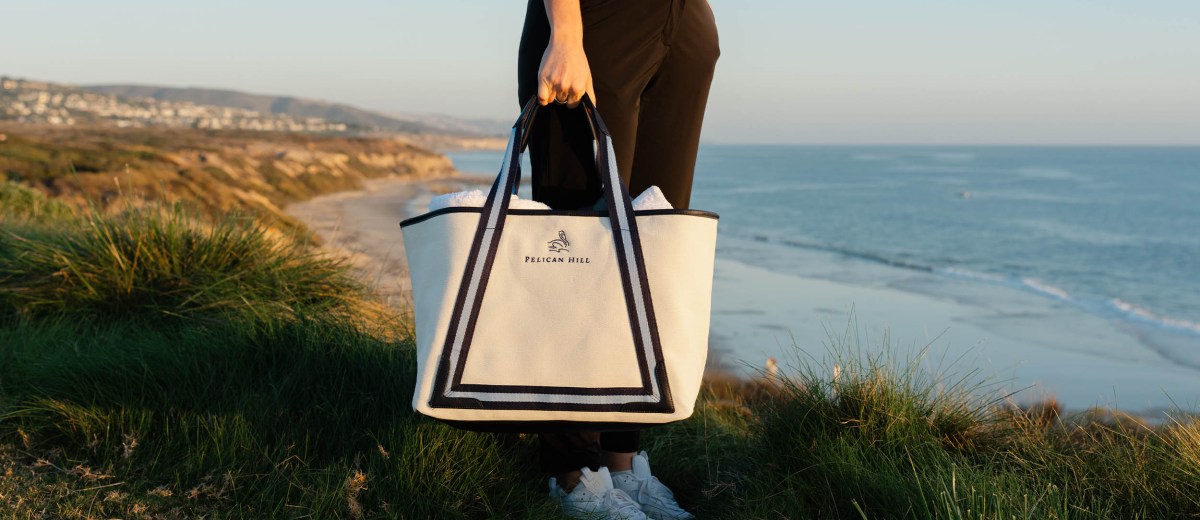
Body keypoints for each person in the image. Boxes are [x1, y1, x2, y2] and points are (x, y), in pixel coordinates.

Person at [517, 0, 719, 518]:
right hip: (596, 19)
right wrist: (564, 29)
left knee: (652, 250)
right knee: (580, 258)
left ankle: (622, 465)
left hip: (683, 21)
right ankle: (572, 475)